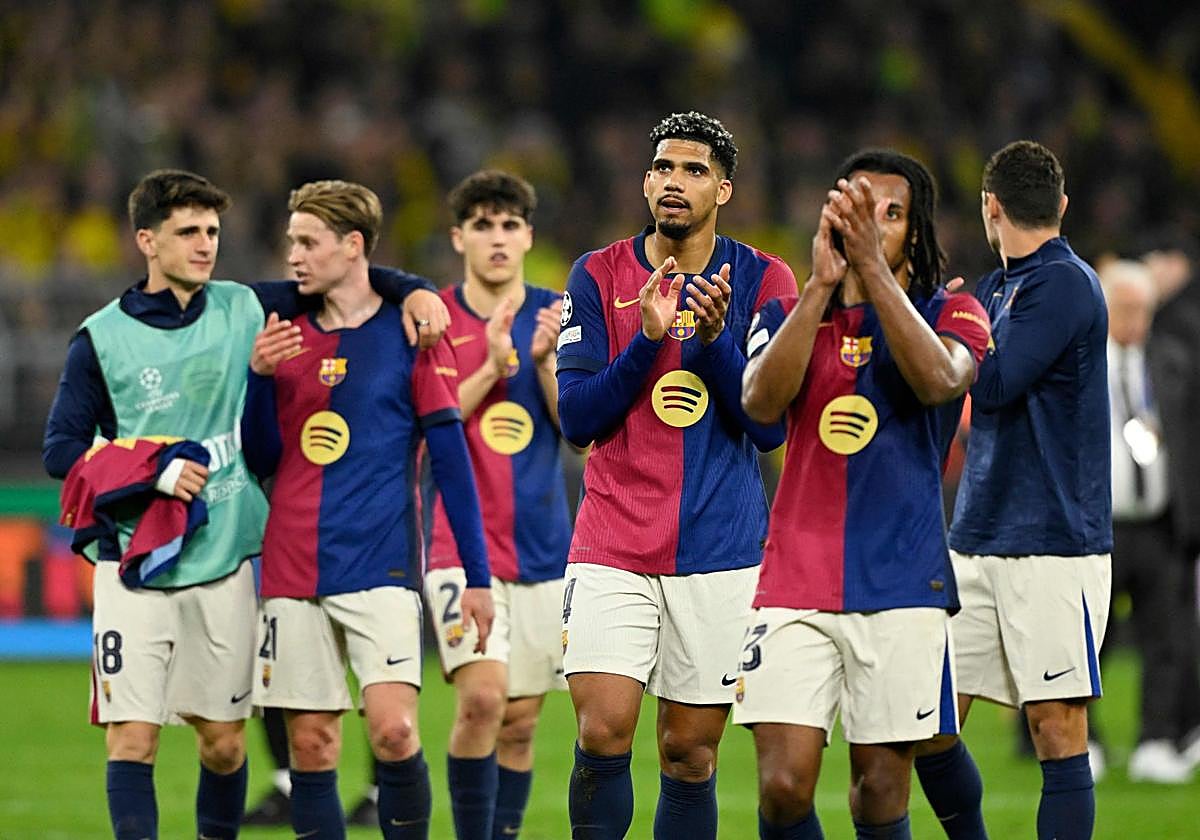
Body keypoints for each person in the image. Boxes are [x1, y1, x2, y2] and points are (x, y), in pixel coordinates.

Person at [41, 169, 443, 840]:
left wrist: (418, 290)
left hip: (227, 557)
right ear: (146, 240)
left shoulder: (246, 307)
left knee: (224, 744)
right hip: (131, 559)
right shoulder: (101, 338)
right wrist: (152, 472)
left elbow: (353, 275)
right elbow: (61, 451)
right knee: (131, 739)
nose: (204, 246)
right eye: (187, 233)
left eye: (212, 232)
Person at [734, 150, 990, 840]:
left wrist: (873, 274)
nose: (874, 223)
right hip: (793, 579)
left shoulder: (954, 309)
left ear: (918, 231)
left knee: (879, 792)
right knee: (784, 787)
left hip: (901, 581)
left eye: (893, 213)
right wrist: (820, 287)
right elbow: (758, 401)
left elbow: (941, 379)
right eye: (860, 207)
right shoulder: (789, 312)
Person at [555, 111, 796, 839]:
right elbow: (577, 419)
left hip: (718, 548)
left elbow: (767, 426)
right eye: (663, 167)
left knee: (688, 753)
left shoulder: (765, 278)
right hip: (613, 542)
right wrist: (649, 341)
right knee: (603, 731)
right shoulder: (598, 273)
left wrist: (718, 343)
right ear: (644, 181)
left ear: (723, 189)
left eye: (694, 171)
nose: (675, 181)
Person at [242, 179, 495, 840]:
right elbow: (263, 455)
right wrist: (258, 381)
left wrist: (477, 576)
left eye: (307, 241)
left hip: (380, 565)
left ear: (352, 246)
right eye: (291, 241)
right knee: (313, 748)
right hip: (292, 564)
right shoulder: (280, 328)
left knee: (392, 730)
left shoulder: (412, 329)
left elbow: (451, 458)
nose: (292, 255)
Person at [914, 140, 1111, 840]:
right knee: (929, 719)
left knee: (1056, 727)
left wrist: (951, 330)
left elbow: (991, 384)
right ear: (1060, 203)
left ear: (990, 207)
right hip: (976, 535)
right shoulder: (993, 292)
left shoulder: (1066, 283)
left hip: (1054, 540)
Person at [421, 169, 570, 839]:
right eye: (482, 225)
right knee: (482, 700)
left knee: (522, 721)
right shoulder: (432, 319)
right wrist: (492, 364)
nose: (498, 238)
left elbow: (584, 431)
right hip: (460, 544)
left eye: (510, 224)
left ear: (528, 235)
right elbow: (425, 435)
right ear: (459, 237)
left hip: (542, 546)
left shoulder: (559, 313)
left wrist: (541, 363)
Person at [1099, 259, 1198, 783]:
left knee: (1165, 639)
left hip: (1159, 525)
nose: (1134, 319)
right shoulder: (1081, 364)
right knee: (1093, 641)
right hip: (1099, 527)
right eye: (1123, 308)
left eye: (1142, 309)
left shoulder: (1171, 362)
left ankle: (1156, 741)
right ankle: (1084, 740)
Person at [1143, 242, 1200, 770]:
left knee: (1174, 630)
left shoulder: (1177, 344)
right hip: (1119, 520)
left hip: (1169, 517)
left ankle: (1172, 733)